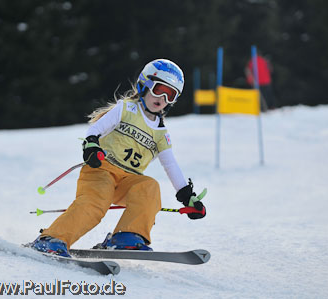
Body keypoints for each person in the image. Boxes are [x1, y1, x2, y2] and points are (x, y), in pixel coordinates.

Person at [30, 59, 207, 257]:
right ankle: (52, 238)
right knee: (95, 204)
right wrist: (91, 145)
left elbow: (171, 165)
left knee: (149, 187)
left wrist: (186, 196)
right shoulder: (126, 109)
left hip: (127, 180)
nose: (163, 98)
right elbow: (96, 129)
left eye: (170, 95)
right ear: (145, 84)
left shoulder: (161, 133)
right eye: (159, 90)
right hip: (101, 169)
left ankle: (127, 236)